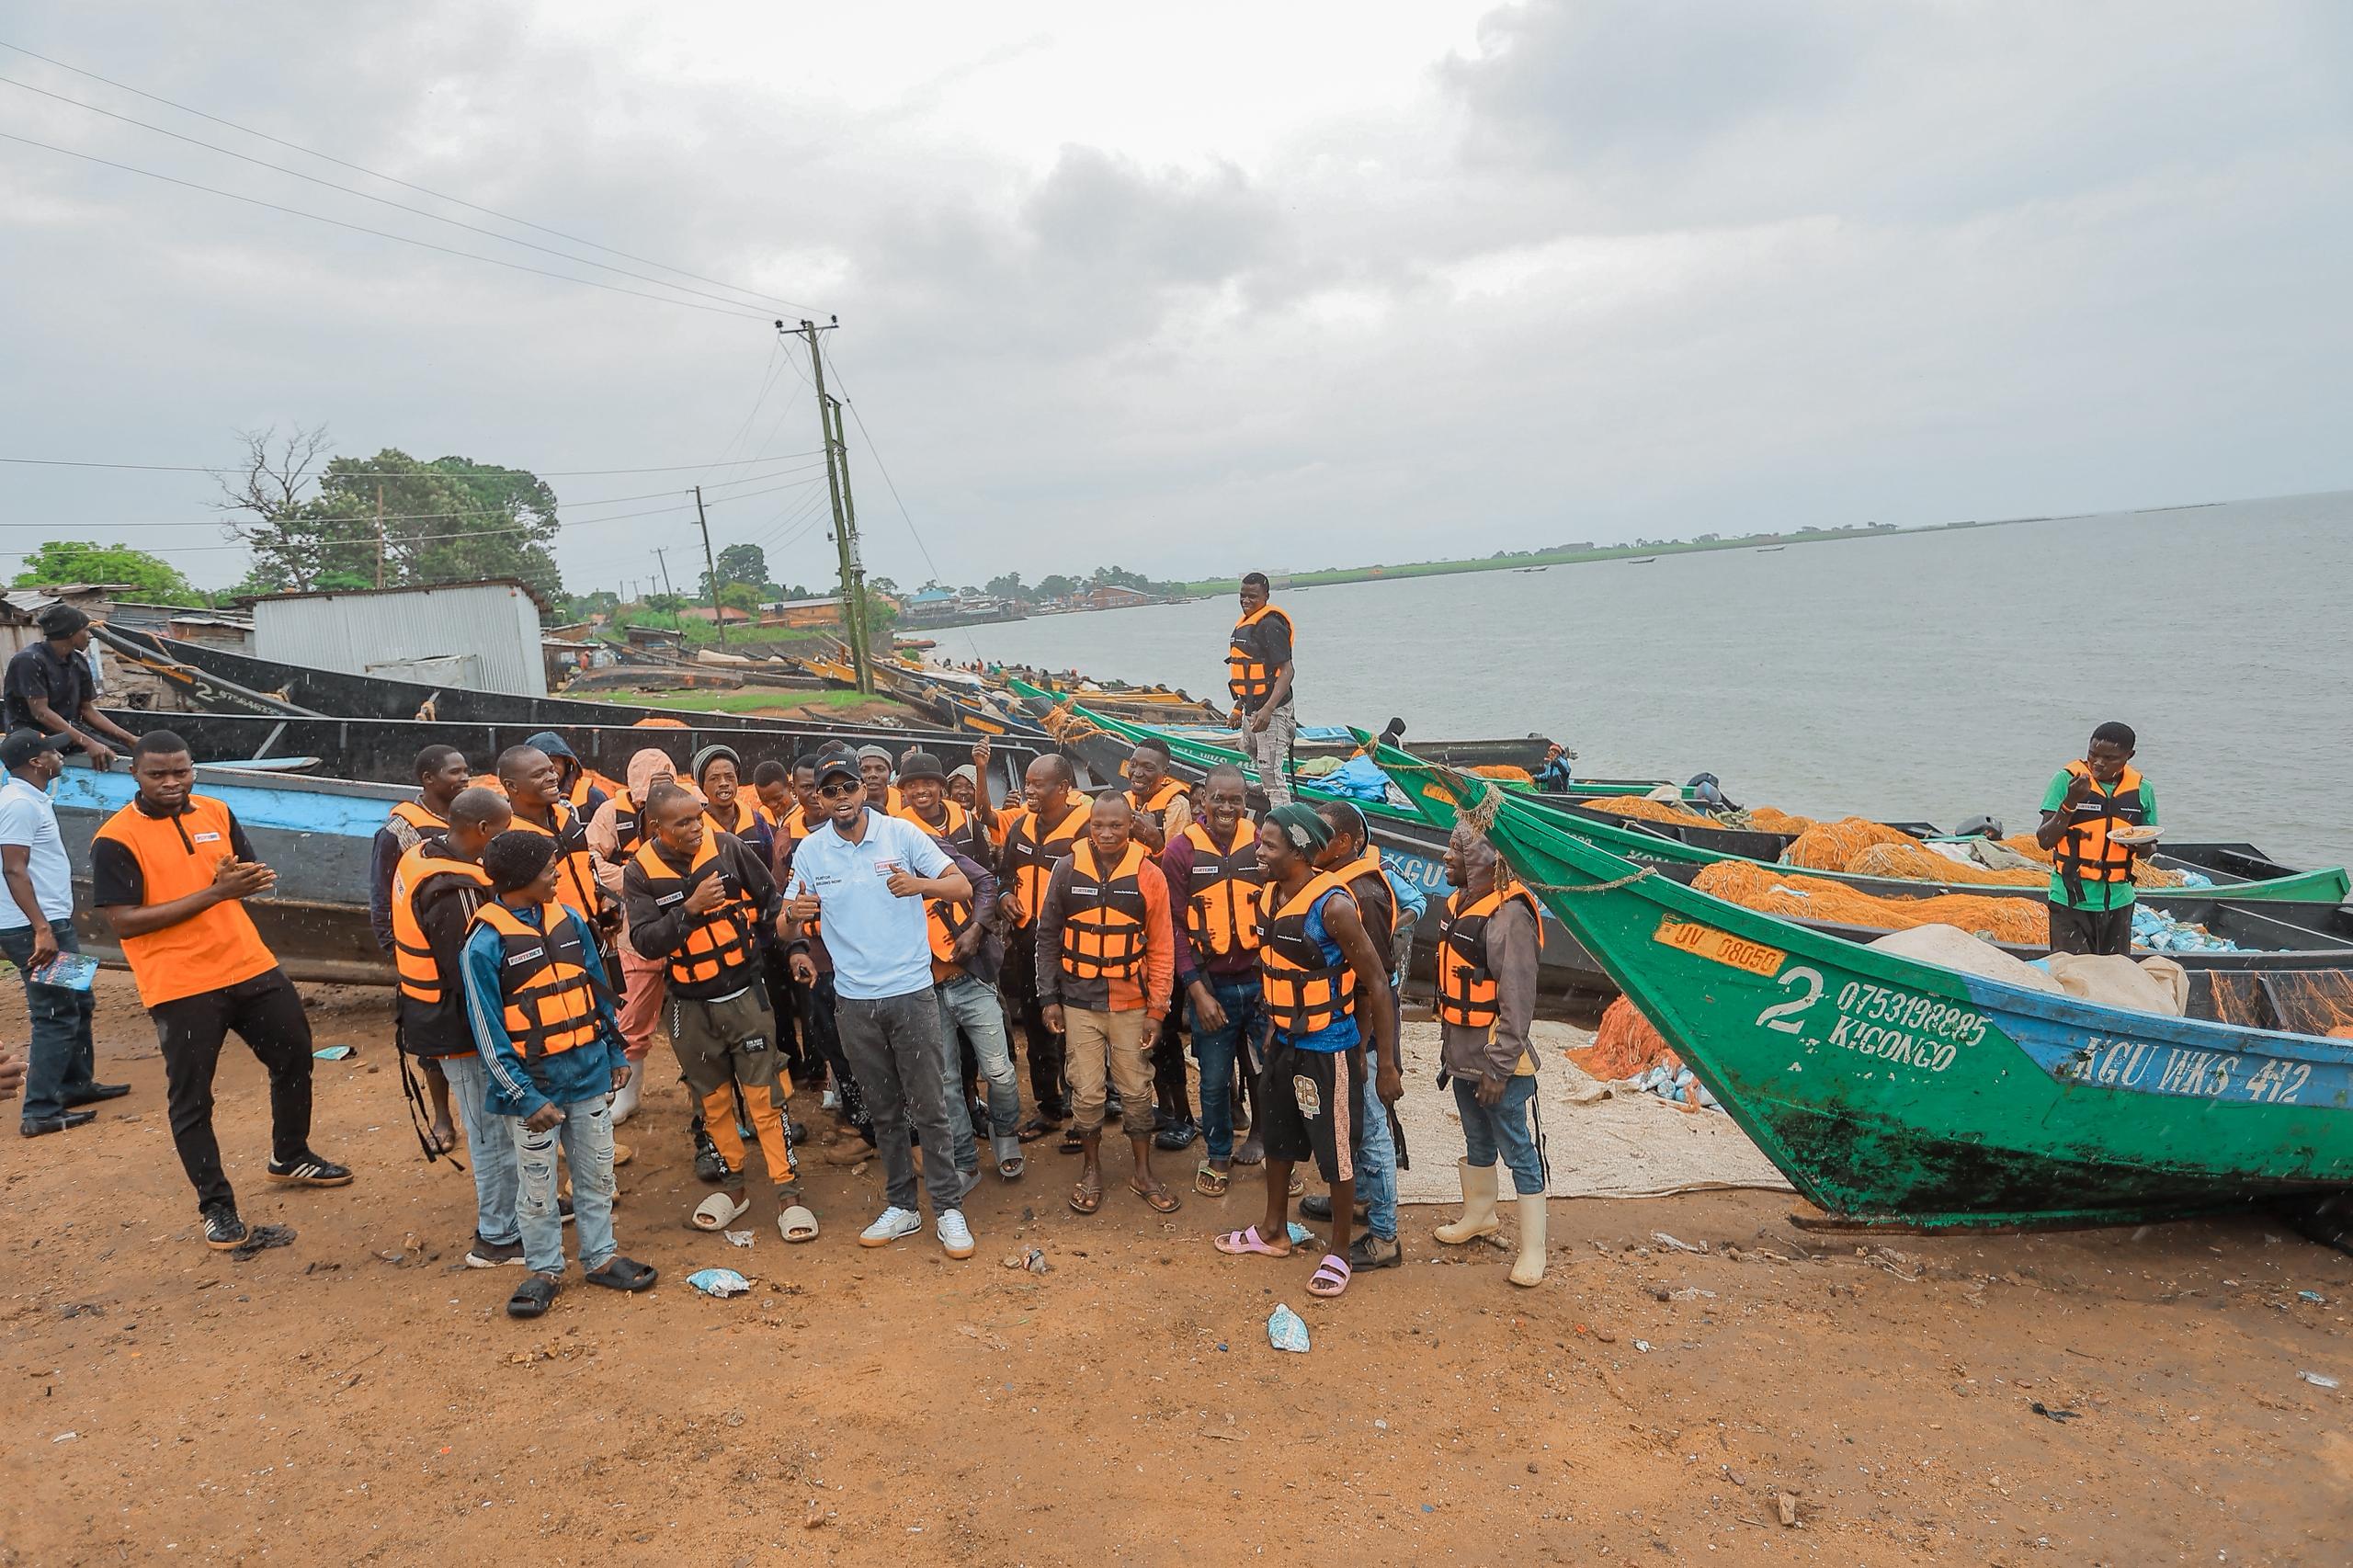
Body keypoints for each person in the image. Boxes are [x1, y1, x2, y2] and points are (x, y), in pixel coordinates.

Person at [91, 730, 349, 1250]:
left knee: (294, 1056)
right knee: (192, 1098)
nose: (171, 782)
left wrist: (242, 881)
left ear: (193, 769)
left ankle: (290, 1155)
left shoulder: (217, 811)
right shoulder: (115, 839)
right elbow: (124, 923)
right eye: (157, 774)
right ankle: (216, 1206)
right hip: (180, 982)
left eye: (181, 771)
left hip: (248, 963)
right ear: (134, 774)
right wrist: (215, 893)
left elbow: (238, 879)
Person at [782, 750, 978, 1258]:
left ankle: (948, 1207)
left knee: (930, 1107)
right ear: (819, 798)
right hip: (854, 1000)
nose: (842, 797)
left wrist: (920, 885)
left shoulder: (901, 834)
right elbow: (784, 923)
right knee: (884, 1110)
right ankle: (902, 1206)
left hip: (911, 993)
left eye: (849, 786)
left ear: (866, 788)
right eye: (830, 790)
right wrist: (794, 917)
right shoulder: (811, 851)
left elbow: (962, 885)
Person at [463, 830, 654, 1318]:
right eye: (549, 870)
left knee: (597, 1173)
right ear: (522, 879)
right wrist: (525, 1097)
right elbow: (488, 1032)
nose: (556, 877)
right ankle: (545, 1268)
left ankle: (600, 1256)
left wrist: (614, 1054)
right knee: (536, 1188)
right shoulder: (483, 945)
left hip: (588, 1075)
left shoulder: (569, 920)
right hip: (533, 1092)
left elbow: (597, 992)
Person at [1213, 804, 1397, 1300]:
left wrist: (1386, 1065)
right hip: (1283, 1041)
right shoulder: (1270, 897)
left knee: (1336, 1152)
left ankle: (1339, 1251)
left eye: (1269, 845)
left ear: (1299, 852)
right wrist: (1273, 1025)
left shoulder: (1333, 907)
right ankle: (1273, 1229)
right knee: (1277, 1137)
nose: (1258, 851)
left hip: (1328, 1048)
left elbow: (1378, 983)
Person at [624, 782, 814, 1242]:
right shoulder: (639, 872)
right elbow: (645, 942)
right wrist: (689, 909)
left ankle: (788, 1194)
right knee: (711, 1100)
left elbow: (772, 906)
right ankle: (734, 1188)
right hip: (689, 1007)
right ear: (657, 827)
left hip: (746, 995)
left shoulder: (727, 847)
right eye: (684, 822)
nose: (697, 827)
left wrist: (797, 947)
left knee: (766, 1095)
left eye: (698, 816)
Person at [389, 786, 524, 1264]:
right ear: (483, 830)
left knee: (499, 1125)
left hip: (433, 1013)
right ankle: (498, 1235)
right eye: (504, 830)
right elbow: (468, 972)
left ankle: (522, 1204)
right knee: (490, 1130)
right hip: (460, 1026)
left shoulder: (422, 855)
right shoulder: (455, 890)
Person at [1037, 792, 1179, 1216]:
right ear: (1090, 824)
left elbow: (1162, 947)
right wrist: (1049, 998)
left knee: (1135, 1089)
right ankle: (1091, 1170)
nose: (1106, 833)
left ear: (1130, 825)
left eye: (1116, 825)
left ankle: (1143, 1172)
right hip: (1078, 1001)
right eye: (1098, 824)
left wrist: (1157, 1009)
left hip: (1131, 1002)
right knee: (1086, 1090)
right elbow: (1047, 937)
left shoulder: (1150, 875)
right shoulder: (1066, 869)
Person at [896, 751, 1023, 1182]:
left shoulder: (940, 835)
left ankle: (1005, 1132)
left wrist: (976, 930)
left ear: (941, 787)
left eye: (928, 783)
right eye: (912, 785)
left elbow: (984, 878)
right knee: (947, 1079)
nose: (921, 791)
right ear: (901, 792)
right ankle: (965, 1160)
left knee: (999, 1071)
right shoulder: (894, 835)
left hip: (970, 974)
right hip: (922, 985)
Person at [1431, 823, 1549, 1287]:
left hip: (1500, 1063)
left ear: (1482, 861)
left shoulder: (1509, 917)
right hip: (1462, 1055)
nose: (1446, 858)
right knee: (1476, 1139)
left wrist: (1499, 1069)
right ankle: (1479, 1214)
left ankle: (1534, 1250)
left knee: (1518, 1148)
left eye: (1456, 851)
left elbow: (1517, 1000)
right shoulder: (1462, 903)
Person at [1, 728, 121, 1136]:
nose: (60, 756)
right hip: (35, 928)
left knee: (78, 1001)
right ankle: (40, 1110)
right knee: (55, 1014)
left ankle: (75, 1084)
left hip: (52, 923)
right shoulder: (19, 804)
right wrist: (41, 928)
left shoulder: (32, 799)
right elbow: (13, 868)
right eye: (53, 752)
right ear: (37, 762)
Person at [1306, 801, 1409, 1272]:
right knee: (1351, 1121)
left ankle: (1385, 1236)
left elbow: (1375, 984)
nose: (1309, 841)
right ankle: (1360, 1198)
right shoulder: (1333, 883)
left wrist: (1376, 1056)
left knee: (1370, 1126)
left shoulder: (1361, 895)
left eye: (1320, 833)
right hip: (1346, 1027)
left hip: (1363, 1032)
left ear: (1344, 843)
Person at [1162, 763, 1266, 1196]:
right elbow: (1173, 927)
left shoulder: (1261, 843)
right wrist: (1197, 991)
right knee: (1214, 1077)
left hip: (1260, 984)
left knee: (1267, 1070)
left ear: (1245, 802)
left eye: (1235, 800)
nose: (1226, 807)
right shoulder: (1180, 851)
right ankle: (1218, 1153)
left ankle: (1267, 1141)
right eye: (1218, 799)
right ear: (1202, 800)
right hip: (1211, 985)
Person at [370, 744, 472, 1154]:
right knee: (433, 1040)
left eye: (466, 770)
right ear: (428, 780)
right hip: (425, 953)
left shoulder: (468, 819)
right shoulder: (398, 832)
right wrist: (399, 954)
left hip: (467, 942)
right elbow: (382, 899)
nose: (465, 778)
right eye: (454, 772)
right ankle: (442, 1118)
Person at [777, 751, 866, 1165]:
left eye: (845, 787)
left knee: (876, 1046)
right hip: (819, 961)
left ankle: (892, 1126)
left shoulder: (883, 831)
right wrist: (796, 947)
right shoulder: (794, 841)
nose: (829, 795)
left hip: (864, 962)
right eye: (822, 789)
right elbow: (783, 906)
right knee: (832, 1042)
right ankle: (859, 1120)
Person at [999, 754, 1091, 1146]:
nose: (1030, 791)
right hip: (1027, 943)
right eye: (1028, 783)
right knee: (1037, 1028)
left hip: (1072, 946)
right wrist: (1004, 895)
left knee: (1078, 1032)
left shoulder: (1084, 829)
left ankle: (1082, 1114)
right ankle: (1049, 1107)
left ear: (1063, 788)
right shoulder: (1020, 826)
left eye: (1039, 784)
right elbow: (1004, 873)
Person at [586, 745, 676, 1129]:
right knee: (630, 1013)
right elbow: (591, 862)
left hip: (683, 926)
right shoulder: (610, 814)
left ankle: (708, 1094)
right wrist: (640, 880)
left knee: (699, 1020)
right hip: (632, 931)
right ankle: (627, 1095)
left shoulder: (686, 808)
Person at [2036, 722, 2157, 958]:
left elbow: (2149, 848)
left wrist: (2142, 845)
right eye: (2093, 754)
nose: (2098, 763)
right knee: (2072, 972)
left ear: (2129, 756)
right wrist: (2071, 802)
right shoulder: (2066, 781)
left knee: (2114, 972)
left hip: (2119, 901)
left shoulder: (2142, 789)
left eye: (2109, 758)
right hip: (2069, 900)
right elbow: (2045, 839)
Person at [4, 604, 140, 770]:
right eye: (85, 630)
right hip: (30, 736)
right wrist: (87, 742)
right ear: (70, 633)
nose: (89, 635)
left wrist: (130, 738)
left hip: (65, 732)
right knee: (107, 757)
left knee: (123, 753)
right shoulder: (29, 661)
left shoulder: (78, 661)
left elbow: (86, 710)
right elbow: (41, 713)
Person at [1224, 572, 1296, 808]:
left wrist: (1268, 709)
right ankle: (1268, 790)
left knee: (1270, 770)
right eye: (1242, 595)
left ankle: (1283, 817)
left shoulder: (1271, 625)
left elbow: (1287, 671)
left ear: (1266, 596)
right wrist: (1238, 708)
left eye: (1252, 596)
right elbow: (1248, 673)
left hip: (1272, 709)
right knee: (1250, 747)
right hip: (1251, 707)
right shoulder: (1246, 624)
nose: (1246, 601)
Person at [695, 745, 776, 867]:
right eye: (714, 778)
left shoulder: (757, 821)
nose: (723, 783)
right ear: (703, 786)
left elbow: (772, 866)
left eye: (729, 777)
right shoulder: (695, 826)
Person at [524, 730, 611, 823]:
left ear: (566, 764)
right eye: (542, 762)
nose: (549, 767)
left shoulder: (593, 797)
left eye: (554, 761)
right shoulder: (515, 798)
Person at [856, 744, 903, 814]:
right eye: (864, 770)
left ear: (889, 774)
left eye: (880, 769)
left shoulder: (905, 800)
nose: (873, 774)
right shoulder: (847, 803)